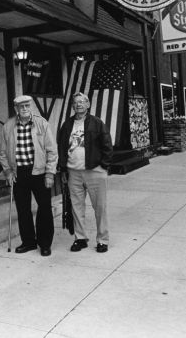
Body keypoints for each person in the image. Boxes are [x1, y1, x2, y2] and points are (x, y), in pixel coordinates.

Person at [0, 95, 57, 257]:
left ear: (31, 107)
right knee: (23, 209)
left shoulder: (41, 123)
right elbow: (2, 153)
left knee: (44, 208)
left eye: (27, 106)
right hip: (19, 172)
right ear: (16, 109)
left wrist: (50, 173)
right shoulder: (8, 126)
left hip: (40, 171)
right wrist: (8, 171)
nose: (24, 109)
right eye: (21, 107)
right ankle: (29, 242)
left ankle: (45, 243)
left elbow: (52, 151)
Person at [58, 92, 113, 253]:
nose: (79, 104)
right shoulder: (67, 125)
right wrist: (62, 168)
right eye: (76, 102)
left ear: (88, 105)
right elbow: (61, 147)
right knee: (76, 207)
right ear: (72, 106)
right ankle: (80, 238)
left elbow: (107, 145)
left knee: (100, 207)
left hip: (95, 171)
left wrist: (104, 165)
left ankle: (102, 240)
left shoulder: (97, 123)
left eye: (82, 101)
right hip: (73, 171)